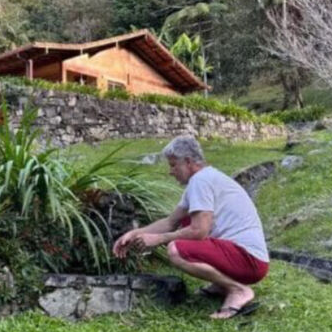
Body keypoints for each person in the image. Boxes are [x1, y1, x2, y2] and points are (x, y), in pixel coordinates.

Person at [113, 135, 269, 319]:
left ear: (188, 162)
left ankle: (238, 290)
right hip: (248, 259)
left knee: (176, 250)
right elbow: (170, 222)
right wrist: (133, 234)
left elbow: (199, 231)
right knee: (186, 221)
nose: (171, 172)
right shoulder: (205, 178)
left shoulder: (200, 181)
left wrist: (159, 239)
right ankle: (221, 285)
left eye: (173, 165)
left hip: (249, 261)